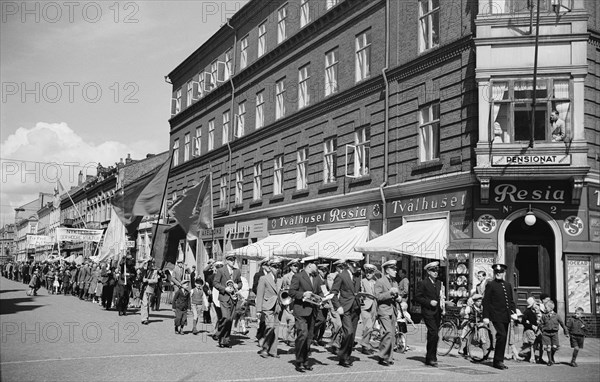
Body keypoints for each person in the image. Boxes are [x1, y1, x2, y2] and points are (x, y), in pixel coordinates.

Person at [288, 260, 323, 372]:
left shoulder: (317, 278)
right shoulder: (298, 276)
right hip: (301, 310)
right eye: (315, 265)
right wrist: (303, 294)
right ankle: (299, 361)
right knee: (303, 333)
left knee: (309, 337)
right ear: (309, 265)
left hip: (312, 310)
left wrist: (323, 298)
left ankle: (305, 360)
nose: (317, 267)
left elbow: (321, 291)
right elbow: (291, 292)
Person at [482, 263, 516, 370]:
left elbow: (510, 301)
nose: (498, 274)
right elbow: (486, 301)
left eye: (500, 272)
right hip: (495, 315)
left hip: (505, 315)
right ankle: (497, 361)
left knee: (504, 337)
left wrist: (513, 312)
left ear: (504, 273)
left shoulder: (507, 285)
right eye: (496, 272)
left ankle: (500, 359)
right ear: (494, 273)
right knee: (501, 335)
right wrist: (485, 316)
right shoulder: (491, 285)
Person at [330, 259, 362, 367]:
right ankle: (343, 355)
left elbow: (356, 291)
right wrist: (338, 306)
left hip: (356, 308)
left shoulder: (357, 276)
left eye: (358, 264)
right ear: (348, 265)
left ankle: (346, 357)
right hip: (345, 309)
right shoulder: (341, 276)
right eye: (354, 264)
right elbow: (333, 293)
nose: (357, 266)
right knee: (348, 332)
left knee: (352, 335)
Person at [415, 261, 445, 367]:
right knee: (434, 333)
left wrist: (444, 303)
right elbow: (417, 297)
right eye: (433, 270)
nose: (436, 273)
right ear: (428, 272)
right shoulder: (423, 283)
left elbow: (441, 296)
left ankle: (430, 356)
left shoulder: (439, 283)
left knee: (433, 335)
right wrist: (429, 302)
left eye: (437, 270)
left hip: (437, 312)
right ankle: (431, 358)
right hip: (428, 312)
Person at [375, 259, 402, 366]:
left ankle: (389, 357)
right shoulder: (380, 281)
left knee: (392, 335)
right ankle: (382, 356)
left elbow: (396, 295)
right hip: (384, 310)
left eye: (395, 269)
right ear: (387, 270)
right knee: (388, 333)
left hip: (393, 311)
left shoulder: (395, 282)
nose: (396, 271)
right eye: (393, 269)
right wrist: (390, 293)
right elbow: (378, 297)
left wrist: (399, 298)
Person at [213, 254, 242, 348]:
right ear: (226, 261)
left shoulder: (237, 271)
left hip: (233, 298)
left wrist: (238, 285)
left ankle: (225, 341)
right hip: (224, 297)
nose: (232, 261)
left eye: (233, 259)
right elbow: (215, 283)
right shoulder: (221, 270)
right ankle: (219, 333)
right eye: (230, 259)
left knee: (230, 320)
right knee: (226, 318)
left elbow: (240, 282)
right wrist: (224, 289)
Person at [256, 259, 282, 358]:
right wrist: (258, 310)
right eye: (275, 267)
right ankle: (265, 348)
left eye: (278, 267)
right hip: (267, 306)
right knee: (270, 327)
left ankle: (273, 351)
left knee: (276, 329)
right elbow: (260, 294)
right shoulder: (264, 278)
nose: (277, 269)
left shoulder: (280, 279)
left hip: (277, 306)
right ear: (270, 267)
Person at [277, 259, 299, 346]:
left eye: (297, 266)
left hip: (297, 300)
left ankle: (291, 337)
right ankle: (290, 338)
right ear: (290, 267)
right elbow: (282, 289)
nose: (296, 267)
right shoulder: (286, 277)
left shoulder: (300, 276)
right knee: (291, 320)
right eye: (294, 266)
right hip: (288, 301)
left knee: (296, 321)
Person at [540, 300, 568, 366]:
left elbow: (562, 324)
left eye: (546, 307)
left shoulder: (557, 316)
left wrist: (566, 332)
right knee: (548, 347)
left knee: (555, 347)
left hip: (554, 333)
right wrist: (542, 329)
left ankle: (552, 355)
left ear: (551, 308)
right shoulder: (544, 316)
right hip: (546, 334)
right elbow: (541, 323)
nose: (545, 309)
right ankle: (550, 361)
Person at [358, 263, 377, 355]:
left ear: (373, 273)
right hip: (365, 306)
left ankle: (366, 343)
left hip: (374, 306)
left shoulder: (375, 282)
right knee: (368, 326)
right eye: (367, 272)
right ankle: (364, 345)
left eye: (370, 272)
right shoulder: (362, 281)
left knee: (371, 327)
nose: (368, 274)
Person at [519, 297, 541, 363]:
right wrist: (531, 325)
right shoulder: (527, 312)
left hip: (536, 329)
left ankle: (533, 356)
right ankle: (531, 357)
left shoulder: (535, 310)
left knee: (536, 343)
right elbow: (523, 321)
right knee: (532, 343)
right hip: (529, 330)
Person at [253, 258, 270, 344]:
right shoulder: (258, 275)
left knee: (268, 319)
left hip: (270, 300)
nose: (269, 267)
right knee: (262, 319)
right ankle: (261, 336)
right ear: (263, 266)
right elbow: (254, 288)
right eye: (267, 265)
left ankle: (265, 336)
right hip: (261, 299)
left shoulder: (272, 275)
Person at [141, 259, 159, 325]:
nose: (149, 265)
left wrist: (148, 280)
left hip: (150, 288)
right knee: (144, 303)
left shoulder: (154, 271)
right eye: (148, 264)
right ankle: (144, 319)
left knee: (147, 304)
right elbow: (140, 268)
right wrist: (144, 261)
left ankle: (146, 317)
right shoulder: (144, 271)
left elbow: (156, 280)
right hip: (143, 288)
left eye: (150, 264)